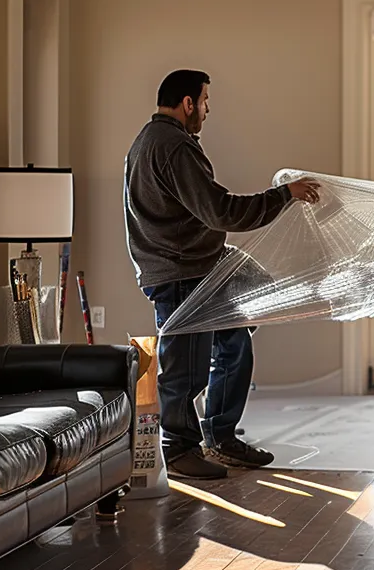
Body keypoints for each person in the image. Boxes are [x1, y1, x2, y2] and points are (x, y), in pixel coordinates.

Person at [124, 69, 322, 479]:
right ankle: (178, 449)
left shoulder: (150, 140)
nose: (208, 110)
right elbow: (222, 210)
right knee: (185, 368)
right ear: (188, 103)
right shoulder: (173, 146)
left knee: (234, 344)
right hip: (182, 272)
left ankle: (220, 437)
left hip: (196, 264)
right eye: (206, 100)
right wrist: (284, 195)